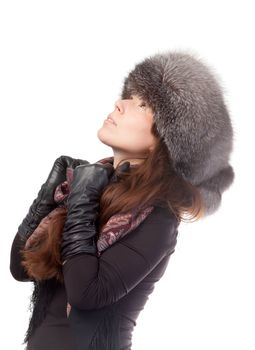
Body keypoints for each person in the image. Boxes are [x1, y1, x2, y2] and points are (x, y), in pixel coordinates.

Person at [10, 50, 235, 350]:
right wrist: (44, 200)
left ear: (168, 141)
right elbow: (20, 268)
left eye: (142, 104)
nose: (120, 104)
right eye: (129, 95)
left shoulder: (159, 217)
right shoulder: (90, 186)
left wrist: (82, 201)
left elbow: (86, 293)